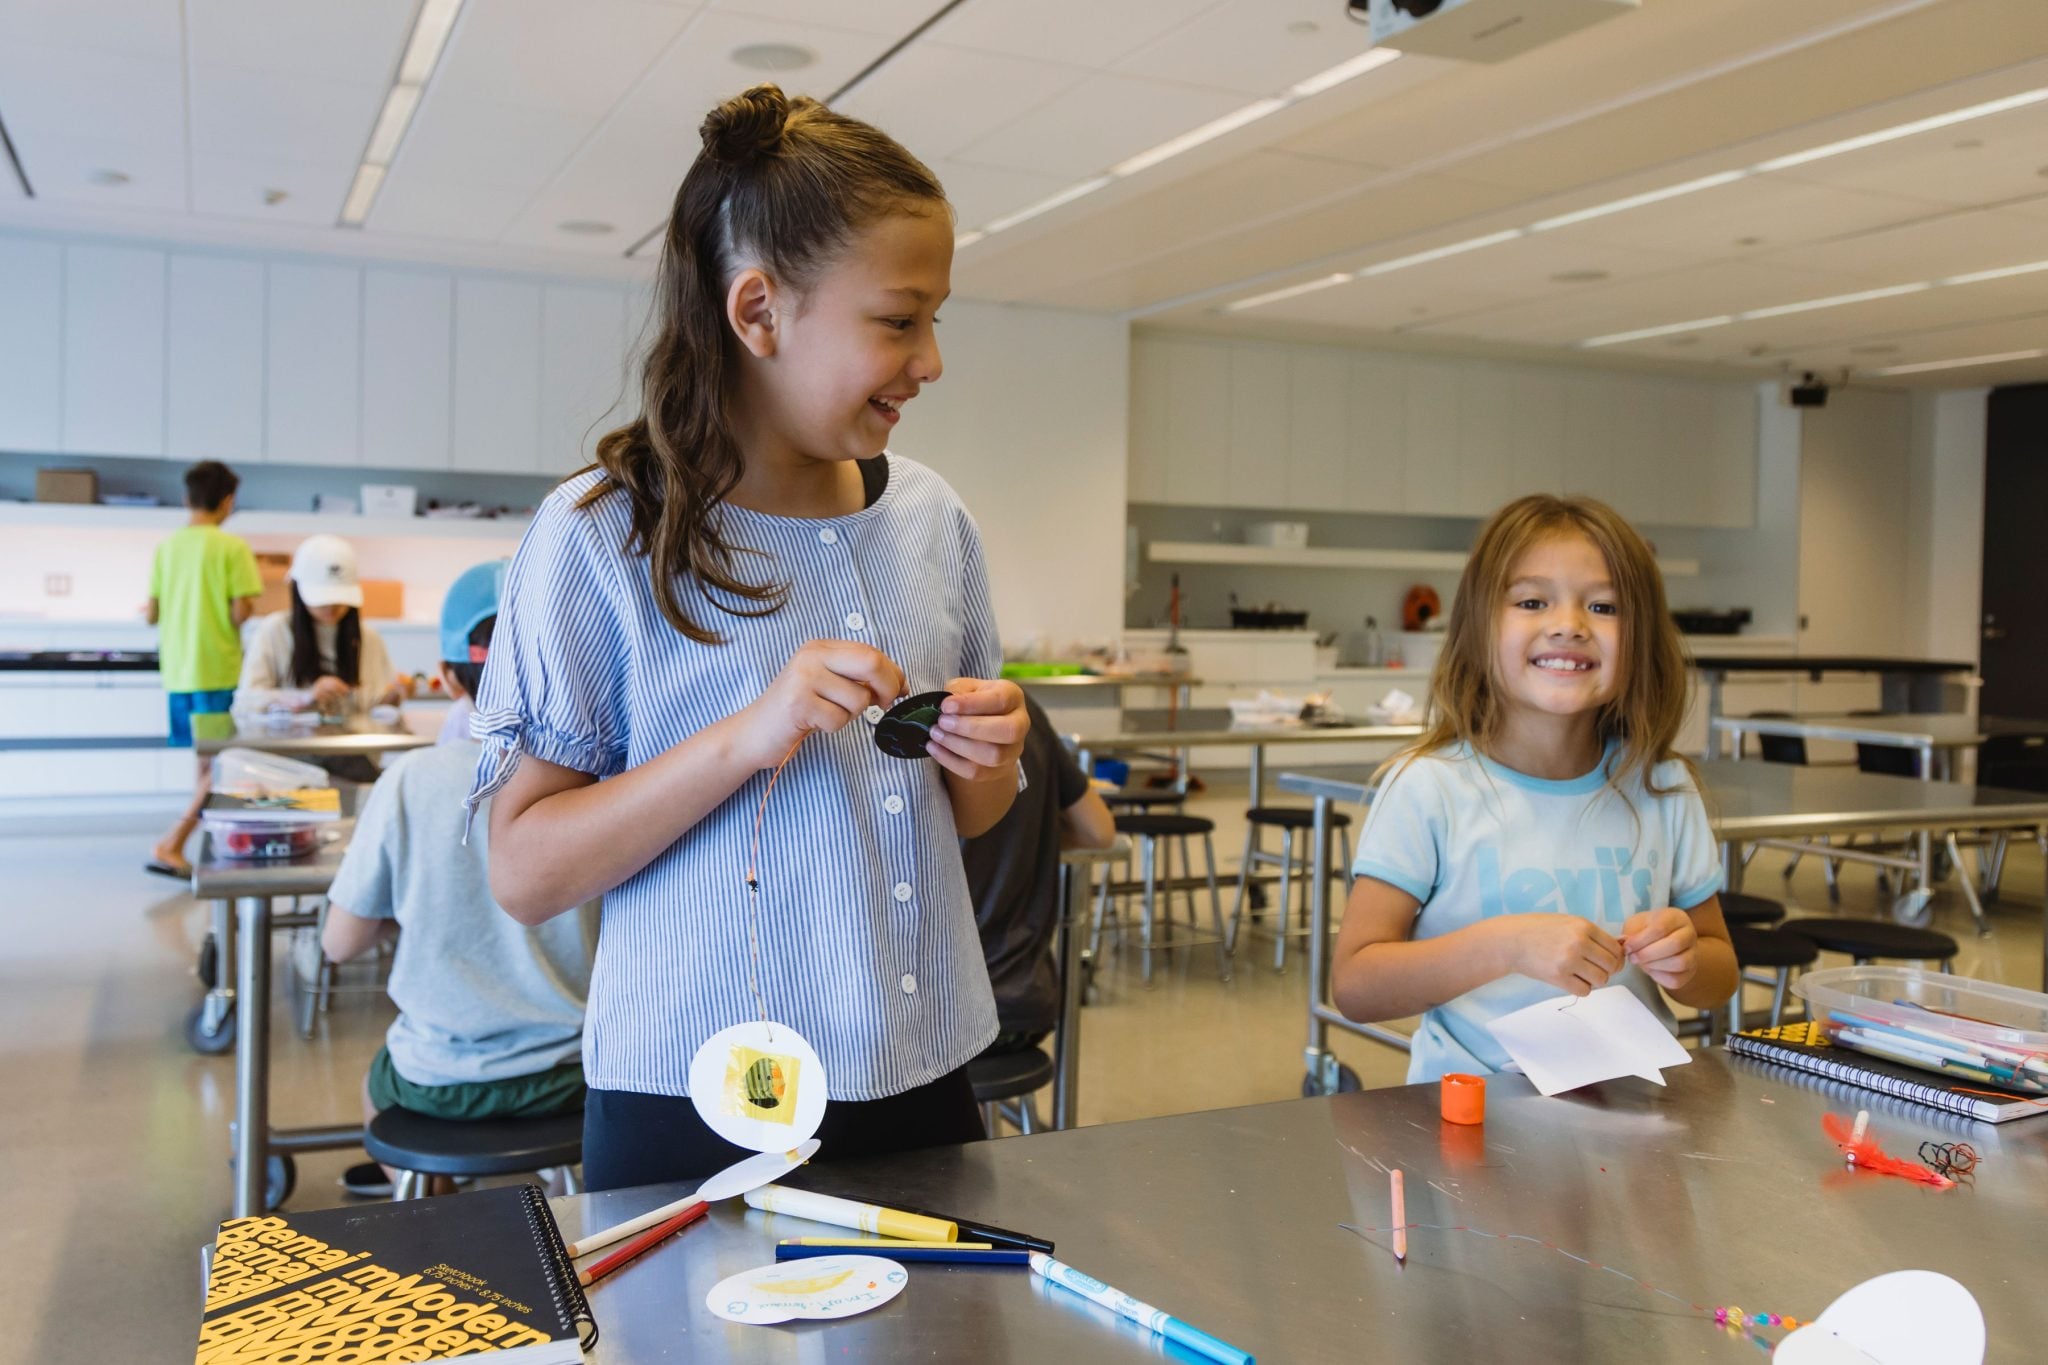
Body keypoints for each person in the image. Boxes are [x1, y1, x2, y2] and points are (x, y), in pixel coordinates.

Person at [470, 84, 1029, 1191]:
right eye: (897, 319)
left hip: (921, 1070)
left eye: (934, 319)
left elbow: (967, 814)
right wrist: (745, 735)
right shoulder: (599, 534)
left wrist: (990, 755)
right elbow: (524, 871)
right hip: (696, 1097)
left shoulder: (926, 515)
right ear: (759, 312)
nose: (929, 360)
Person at [1331, 493, 1737, 1083]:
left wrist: (1689, 960)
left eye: (1602, 606)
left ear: (1642, 638)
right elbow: (1356, 987)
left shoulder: (1663, 786)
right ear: (1478, 628)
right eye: (1531, 601)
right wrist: (1506, 945)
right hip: (1469, 1117)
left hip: (1629, 1113)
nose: (1568, 625)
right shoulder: (1429, 788)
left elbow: (1719, 976)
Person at [322, 560, 597, 1198]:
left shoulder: (411, 780)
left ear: (447, 679)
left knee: (376, 1087)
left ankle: (440, 1221)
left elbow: (340, 945)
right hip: (576, 1071)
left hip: (438, 1076)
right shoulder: (599, 779)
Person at [962, 693, 1115, 1057]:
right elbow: (1099, 832)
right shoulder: (1019, 710)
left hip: (943, 1023)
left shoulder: (897, 730)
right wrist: (1030, 833)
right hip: (1026, 1004)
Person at [145, 461, 264, 878]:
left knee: (205, 765)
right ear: (228, 501)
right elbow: (239, 613)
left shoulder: (168, 547)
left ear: (187, 498)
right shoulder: (232, 549)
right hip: (217, 670)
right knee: (219, 766)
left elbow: (152, 613)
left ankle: (199, 844)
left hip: (177, 673)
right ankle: (173, 843)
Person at [238, 533, 404, 717]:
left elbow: (374, 704)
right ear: (297, 591)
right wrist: (306, 697)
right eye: (322, 600)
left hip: (351, 742)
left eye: (339, 599)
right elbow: (246, 701)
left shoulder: (367, 637)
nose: (331, 607)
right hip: (289, 744)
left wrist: (394, 696)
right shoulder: (274, 631)